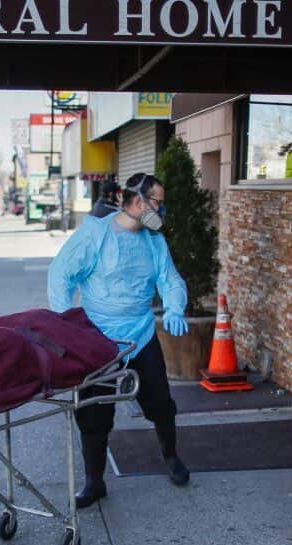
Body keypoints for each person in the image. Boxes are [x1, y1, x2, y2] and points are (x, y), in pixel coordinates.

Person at [48, 172, 190, 508]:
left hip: (140, 334)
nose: (162, 208)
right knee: (95, 413)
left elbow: (170, 279)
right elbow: (61, 274)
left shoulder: (154, 241)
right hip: (98, 340)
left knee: (160, 402)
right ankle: (94, 482)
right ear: (138, 201)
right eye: (159, 201)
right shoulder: (95, 235)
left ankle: (171, 458)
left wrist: (175, 306)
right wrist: (65, 322)